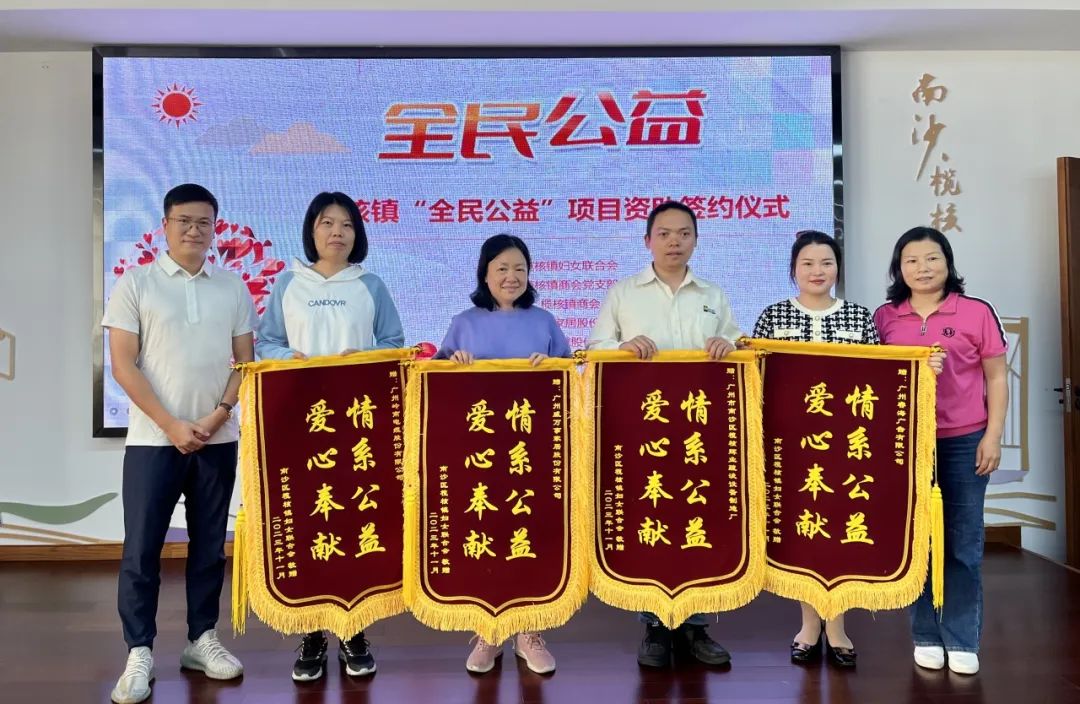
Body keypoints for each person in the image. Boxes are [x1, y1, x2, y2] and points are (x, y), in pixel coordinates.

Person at [104, 184, 255, 704]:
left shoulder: (232, 286)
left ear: (215, 228)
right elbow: (123, 364)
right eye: (184, 221)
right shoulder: (136, 283)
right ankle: (139, 651)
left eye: (204, 222)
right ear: (165, 225)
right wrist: (170, 424)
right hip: (153, 439)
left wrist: (218, 415)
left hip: (217, 437)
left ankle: (201, 638)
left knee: (209, 546)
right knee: (141, 549)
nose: (194, 230)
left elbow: (245, 363)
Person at [256, 192, 405, 681]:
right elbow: (267, 342)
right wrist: (289, 359)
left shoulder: (370, 285)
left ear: (357, 234)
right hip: (301, 423)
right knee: (309, 523)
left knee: (356, 520)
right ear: (312, 231)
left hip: (357, 426)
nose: (337, 232)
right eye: (327, 223)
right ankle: (313, 633)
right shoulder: (288, 283)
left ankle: (353, 629)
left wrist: (361, 361)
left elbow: (393, 344)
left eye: (346, 224)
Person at [587, 200, 740, 668]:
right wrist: (622, 347)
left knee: (698, 515)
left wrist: (728, 345)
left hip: (700, 428)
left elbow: (738, 345)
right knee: (650, 518)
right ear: (648, 241)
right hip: (643, 428)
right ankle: (655, 625)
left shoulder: (712, 293)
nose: (675, 241)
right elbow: (594, 349)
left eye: (684, 233)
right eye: (665, 233)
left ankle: (695, 626)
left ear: (696, 240)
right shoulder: (623, 293)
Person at [874, 226, 1008, 676]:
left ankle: (962, 638)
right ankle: (926, 634)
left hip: (965, 439)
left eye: (932, 258)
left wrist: (993, 435)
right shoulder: (885, 317)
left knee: (963, 541)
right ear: (899, 269)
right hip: (908, 443)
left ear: (948, 263)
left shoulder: (975, 312)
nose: (923, 268)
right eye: (911, 260)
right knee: (917, 542)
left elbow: (996, 377)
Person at [435, 233, 570, 675]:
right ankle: (488, 630)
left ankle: (528, 630)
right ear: (485, 274)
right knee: (486, 533)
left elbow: (571, 373)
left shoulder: (544, 321)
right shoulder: (463, 322)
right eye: (502, 269)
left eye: (519, 269)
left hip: (532, 450)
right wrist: (453, 364)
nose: (511, 277)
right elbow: (434, 380)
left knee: (531, 534)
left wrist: (551, 366)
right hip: (479, 453)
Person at [753, 230, 881, 668]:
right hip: (792, 446)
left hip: (847, 446)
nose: (817, 271)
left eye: (826, 262)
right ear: (793, 270)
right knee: (804, 532)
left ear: (838, 268)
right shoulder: (772, 317)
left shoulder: (860, 318)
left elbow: (878, 380)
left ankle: (838, 625)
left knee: (842, 533)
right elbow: (757, 380)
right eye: (807, 263)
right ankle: (808, 625)